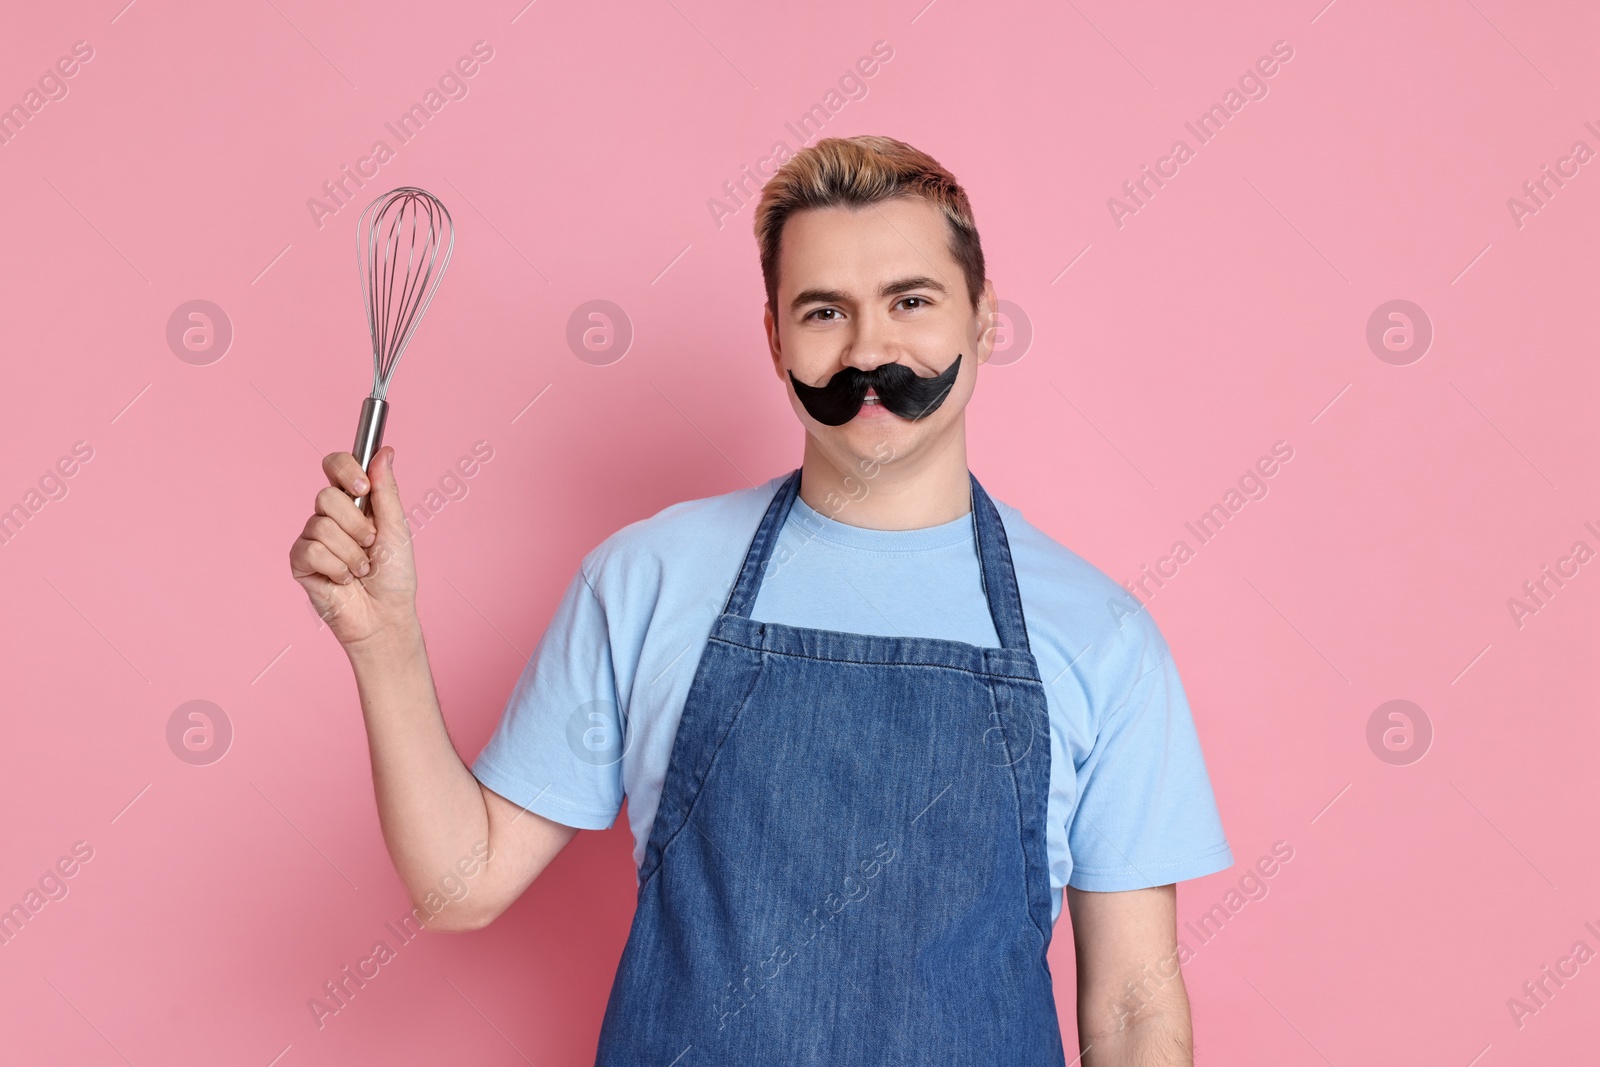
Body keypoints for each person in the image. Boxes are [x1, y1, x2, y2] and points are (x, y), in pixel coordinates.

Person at [288, 134, 1232, 1066]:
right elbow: (463, 884)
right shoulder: (648, 576)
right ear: (775, 338)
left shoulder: (1100, 633)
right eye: (825, 311)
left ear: (984, 318)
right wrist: (384, 641)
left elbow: (1133, 1013)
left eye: (912, 300)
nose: (870, 350)